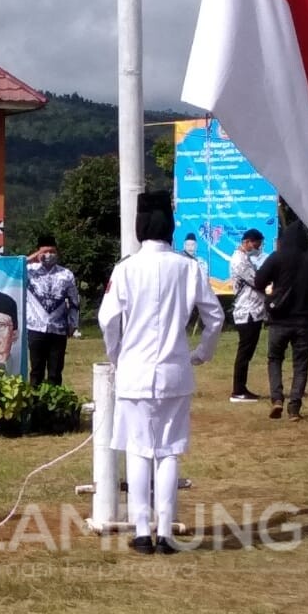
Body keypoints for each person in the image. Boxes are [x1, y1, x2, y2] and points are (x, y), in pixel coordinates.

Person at [99, 190, 223, 554]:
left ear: (139, 226)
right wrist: (201, 353)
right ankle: (166, 532)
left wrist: (118, 354)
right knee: (169, 452)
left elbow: (107, 319)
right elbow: (214, 316)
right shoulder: (189, 267)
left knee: (138, 450)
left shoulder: (125, 268)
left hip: (134, 372)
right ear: (170, 226)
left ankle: (141, 531)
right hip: (175, 371)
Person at [253, 221, 308, 420]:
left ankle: (277, 399)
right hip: (304, 320)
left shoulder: (277, 257)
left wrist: (272, 291)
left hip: (279, 319)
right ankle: (294, 407)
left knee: (275, 359)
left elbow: (258, 281)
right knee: (300, 364)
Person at [25, 233, 80, 387]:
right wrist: (32, 258)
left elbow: (74, 300)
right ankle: (36, 406)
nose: (49, 255)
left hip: (58, 329)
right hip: (36, 328)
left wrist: (73, 323)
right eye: (45, 252)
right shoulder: (28, 271)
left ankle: (54, 407)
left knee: (55, 372)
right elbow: (9, 267)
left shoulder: (66, 274)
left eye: (52, 251)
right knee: (36, 371)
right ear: (38, 253)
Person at [228, 228, 267, 402]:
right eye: (256, 244)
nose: (257, 248)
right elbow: (256, 281)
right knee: (244, 352)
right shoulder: (239, 260)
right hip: (247, 311)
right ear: (248, 242)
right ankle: (238, 390)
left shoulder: (245, 258)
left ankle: (241, 387)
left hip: (253, 309)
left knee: (247, 352)